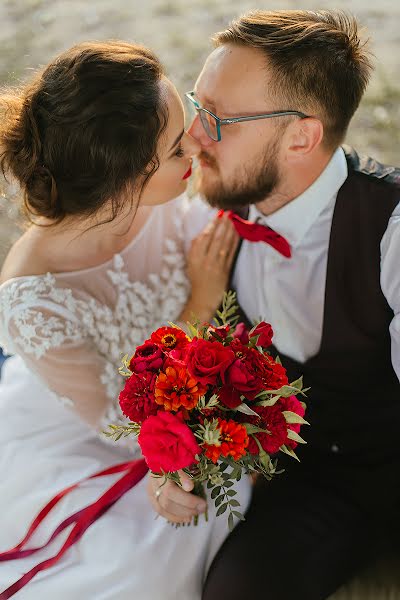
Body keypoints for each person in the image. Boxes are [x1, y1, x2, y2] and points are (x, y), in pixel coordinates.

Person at [148, 10, 400, 600]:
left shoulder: (391, 231)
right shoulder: (216, 215)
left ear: (301, 137)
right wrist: (172, 459)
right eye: (196, 105)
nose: (194, 137)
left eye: (219, 119)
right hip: (317, 488)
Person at [0, 41, 251, 599]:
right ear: (125, 180)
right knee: (137, 571)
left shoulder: (158, 197)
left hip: (181, 386)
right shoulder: (32, 300)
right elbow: (120, 422)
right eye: (175, 149)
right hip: (96, 428)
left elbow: (211, 236)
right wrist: (199, 308)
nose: (196, 145)